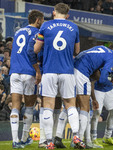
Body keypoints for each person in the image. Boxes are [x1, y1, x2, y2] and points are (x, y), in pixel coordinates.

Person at [33, 3, 83, 149]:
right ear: (67, 15)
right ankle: (76, 136)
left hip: (49, 71)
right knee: (70, 105)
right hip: (67, 71)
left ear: (53, 12)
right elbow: (77, 51)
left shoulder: (45, 26)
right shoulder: (74, 27)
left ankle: (48, 142)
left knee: (47, 105)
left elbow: (36, 49)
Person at [74, 43, 113, 147]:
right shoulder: (108, 59)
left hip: (108, 89)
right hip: (97, 88)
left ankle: (107, 137)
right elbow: (96, 78)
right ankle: (92, 139)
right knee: (96, 112)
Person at [9, 10, 44, 149]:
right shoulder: (36, 33)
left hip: (14, 72)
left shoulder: (18, 32)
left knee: (15, 107)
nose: (42, 24)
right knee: (29, 107)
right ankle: (24, 139)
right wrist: (37, 70)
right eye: (41, 21)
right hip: (28, 72)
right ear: (37, 21)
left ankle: (15, 140)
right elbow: (31, 52)